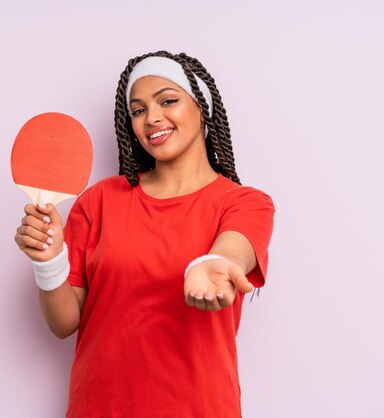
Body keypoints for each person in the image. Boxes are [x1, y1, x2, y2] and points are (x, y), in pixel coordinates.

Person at [14, 50, 275, 418]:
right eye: (137, 110)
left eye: (168, 100)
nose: (152, 118)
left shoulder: (245, 203)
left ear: (204, 108)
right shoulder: (99, 201)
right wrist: (49, 261)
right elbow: (63, 323)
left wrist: (214, 264)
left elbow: (233, 249)